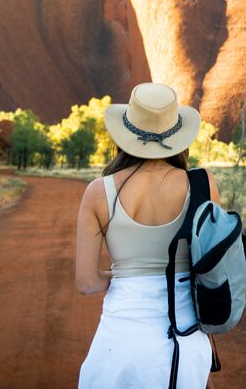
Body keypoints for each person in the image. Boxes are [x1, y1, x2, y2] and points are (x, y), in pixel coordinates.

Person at [75, 83, 219, 389]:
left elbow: (86, 283)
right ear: (177, 134)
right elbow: (212, 266)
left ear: (125, 133)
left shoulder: (99, 192)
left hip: (119, 345)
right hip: (186, 343)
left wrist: (127, 277)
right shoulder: (203, 184)